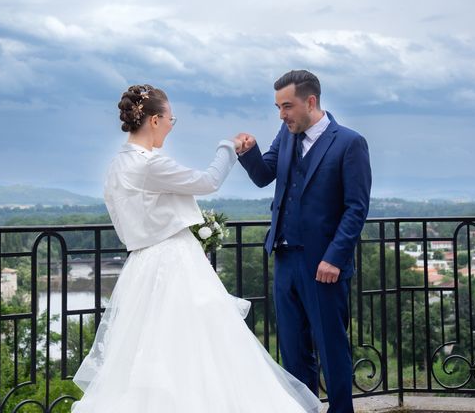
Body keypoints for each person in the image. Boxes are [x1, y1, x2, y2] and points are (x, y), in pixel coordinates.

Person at [71, 84, 321, 412]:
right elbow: (207, 182)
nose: (172, 127)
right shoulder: (148, 165)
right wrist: (228, 147)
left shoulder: (117, 164)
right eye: (172, 119)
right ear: (156, 120)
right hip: (174, 263)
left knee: (151, 352)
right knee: (198, 348)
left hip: (141, 267)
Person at [236, 70, 372, 413]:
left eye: (287, 106)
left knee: (331, 348)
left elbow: (356, 208)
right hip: (284, 259)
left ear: (310, 101)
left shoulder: (349, 142)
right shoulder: (286, 133)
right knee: (294, 351)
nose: (282, 115)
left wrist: (335, 258)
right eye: (278, 107)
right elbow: (265, 176)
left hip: (323, 265)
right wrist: (249, 153)